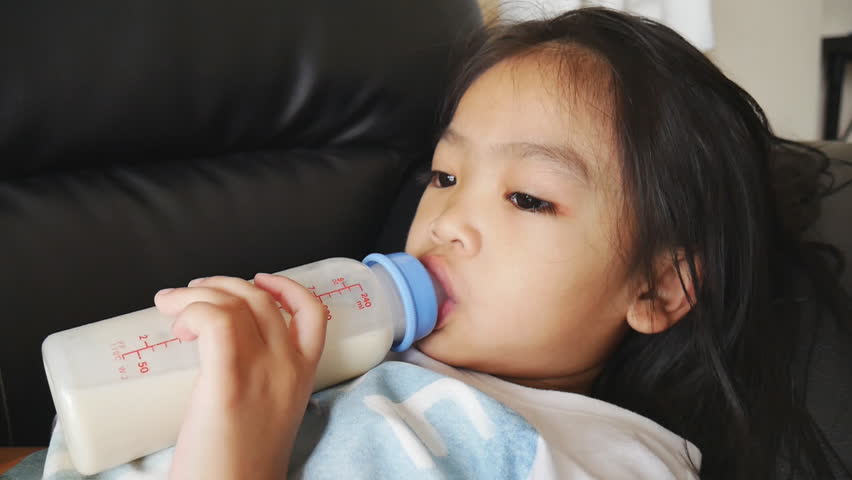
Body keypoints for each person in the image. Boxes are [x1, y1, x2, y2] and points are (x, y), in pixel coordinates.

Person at [151, 7, 852, 480]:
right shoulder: (349, 350)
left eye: (527, 197)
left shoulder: (602, 458)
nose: (446, 218)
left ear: (658, 287)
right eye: (446, 174)